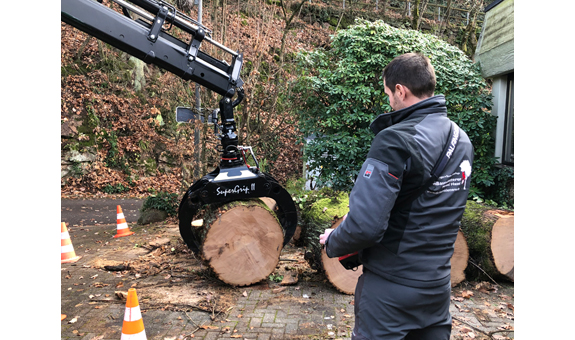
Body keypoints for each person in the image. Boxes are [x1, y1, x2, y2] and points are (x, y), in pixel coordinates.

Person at [319, 52, 474, 340]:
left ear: (401, 90)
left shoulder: (394, 139)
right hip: (438, 287)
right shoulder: (461, 139)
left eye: (389, 93)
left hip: (391, 291)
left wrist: (333, 242)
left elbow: (365, 225)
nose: (389, 99)